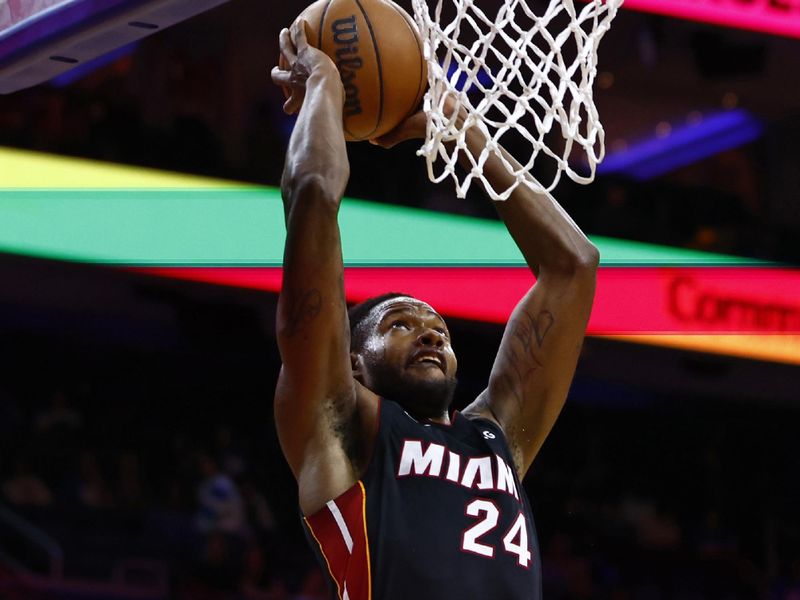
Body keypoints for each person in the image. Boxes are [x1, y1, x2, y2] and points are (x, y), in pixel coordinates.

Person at [270, 20, 598, 600]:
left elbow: (573, 266)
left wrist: (463, 128)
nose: (429, 337)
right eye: (399, 325)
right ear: (352, 363)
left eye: (438, 330)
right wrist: (325, 83)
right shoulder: (339, 428)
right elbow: (314, 194)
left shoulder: (498, 435)